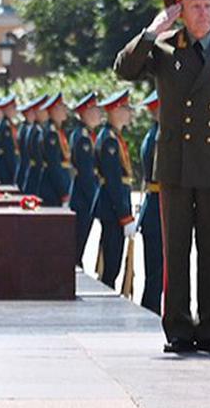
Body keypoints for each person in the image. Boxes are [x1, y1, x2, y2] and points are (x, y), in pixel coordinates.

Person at [114, 0, 210, 355]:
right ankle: (177, 326)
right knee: (175, 248)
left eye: (209, 5)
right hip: (175, 164)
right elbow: (124, 69)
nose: (203, 13)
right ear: (179, 10)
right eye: (194, 6)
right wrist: (153, 29)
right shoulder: (162, 49)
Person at [91, 89, 136, 288]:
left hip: (112, 208)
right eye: (126, 108)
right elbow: (114, 182)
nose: (130, 112)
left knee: (112, 262)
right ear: (116, 111)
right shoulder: (109, 139)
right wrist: (124, 216)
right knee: (111, 265)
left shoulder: (114, 137)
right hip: (112, 209)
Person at [135, 91, 163, 315]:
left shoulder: (155, 134)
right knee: (156, 271)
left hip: (154, 207)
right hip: (157, 210)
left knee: (157, 270)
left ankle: (152, 310)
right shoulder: (159, 137)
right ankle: (150, 312)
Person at [69, 92, 102, 262]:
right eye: (95, 110)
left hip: (82, 197)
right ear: (85, 113)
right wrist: (96, 202)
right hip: (83, 199)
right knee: (77, 248)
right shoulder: (82, 138)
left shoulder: (85, 135)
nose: (99, 113)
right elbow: (87, 174)